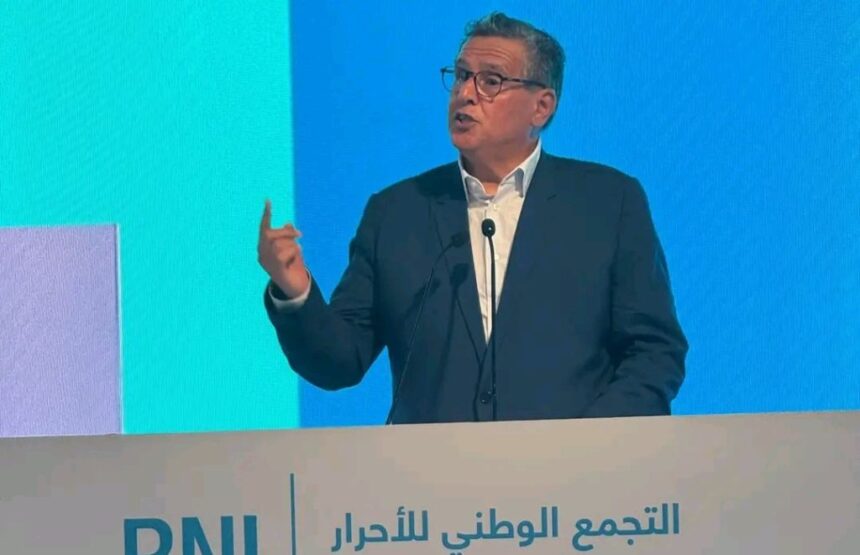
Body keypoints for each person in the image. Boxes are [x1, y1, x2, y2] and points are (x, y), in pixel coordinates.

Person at [258, 12, 687, 424]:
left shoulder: (608, 203)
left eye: (491, 81)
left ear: (541, 107)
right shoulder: (396, 214)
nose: (465, 93)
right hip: (432, 471)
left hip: (572, 470)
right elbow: (338, 362)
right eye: (461, 76)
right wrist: (295, 291)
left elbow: (654, 352)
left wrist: (589, 443)